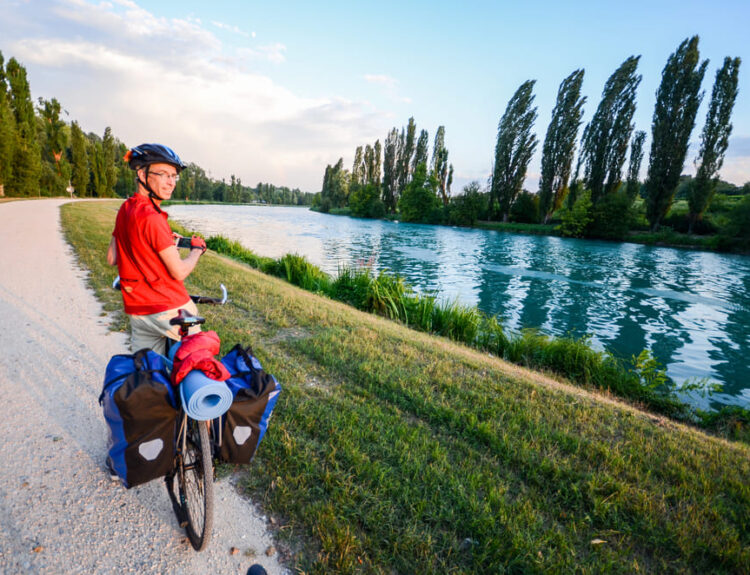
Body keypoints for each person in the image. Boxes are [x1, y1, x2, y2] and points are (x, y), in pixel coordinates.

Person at [107, 143, 207, 354]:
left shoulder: (126, 208)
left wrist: (163, 242)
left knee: (149, 373)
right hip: (169, 309)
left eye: (174, 176)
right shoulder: (152, 219)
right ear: (142, 175)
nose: (171, 183)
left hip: (138, 312)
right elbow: (179, 271)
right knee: (198, 367)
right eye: (163, 174)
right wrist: (196, 250)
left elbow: (112, 257)